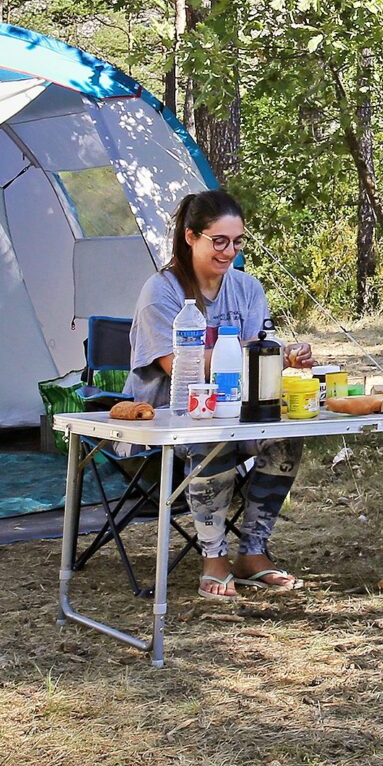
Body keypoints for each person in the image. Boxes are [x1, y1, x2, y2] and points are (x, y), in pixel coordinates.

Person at [125, 189, 303, 597]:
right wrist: (249, 353)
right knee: (212, 437)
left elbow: (260, 354)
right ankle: (213, 557)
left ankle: (253, 552)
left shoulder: (247, 288)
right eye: (219, 241)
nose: (229, 252)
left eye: (237, 242)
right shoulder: (162, 291)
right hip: (170, 419)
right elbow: (175, 365)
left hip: (238, 412)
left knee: (287, 437)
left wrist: (285, 355)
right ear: (191, 237)